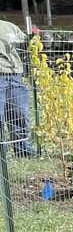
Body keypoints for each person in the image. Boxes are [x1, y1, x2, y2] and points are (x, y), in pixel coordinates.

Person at [0, 19, 35, 157]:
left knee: (19, 115)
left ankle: (24, 152)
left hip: (15, 75)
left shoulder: (9, 26)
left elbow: (25, 44)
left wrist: (32, 36)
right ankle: (2, 155)